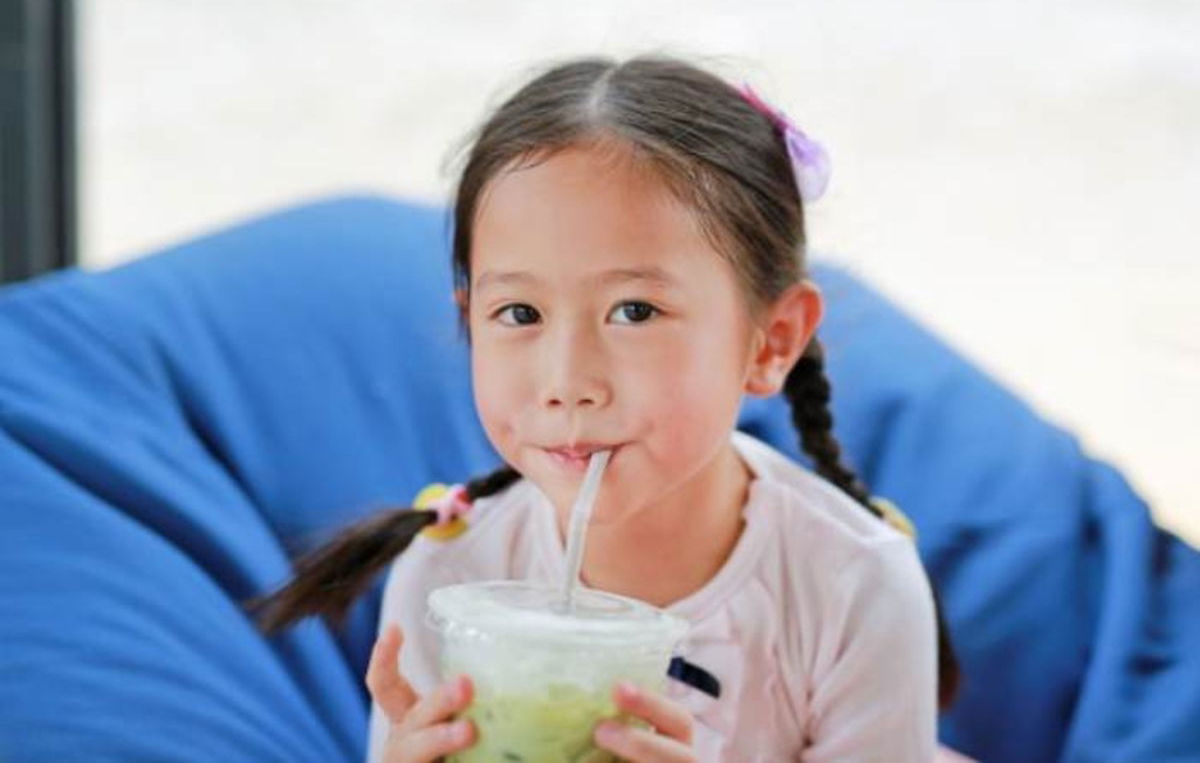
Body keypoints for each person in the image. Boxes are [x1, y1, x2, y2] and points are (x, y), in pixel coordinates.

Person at [247, 55, 968, 762]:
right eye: (520, 311)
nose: (567, 380)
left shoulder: (855, 584)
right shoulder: (449, 576)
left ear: (769, 340)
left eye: (634, 310)